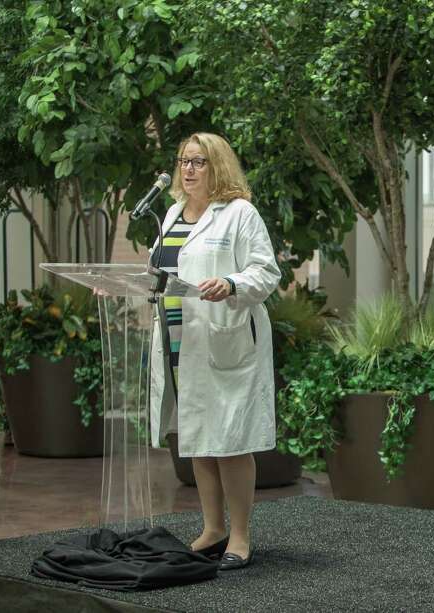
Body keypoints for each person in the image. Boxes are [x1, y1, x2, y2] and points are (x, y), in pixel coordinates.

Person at [149, 132, 281, 570]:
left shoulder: (239, 214)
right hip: (178, 340)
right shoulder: (171, 214)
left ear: (218, 166)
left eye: (199, 162)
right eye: (184, 161)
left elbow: (265, 271)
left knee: (231, 441)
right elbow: (159, 272)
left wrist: (232, 284)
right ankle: (212, 528)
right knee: (199, 440)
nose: (188, 170)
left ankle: (240, 536)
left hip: (225, 336)